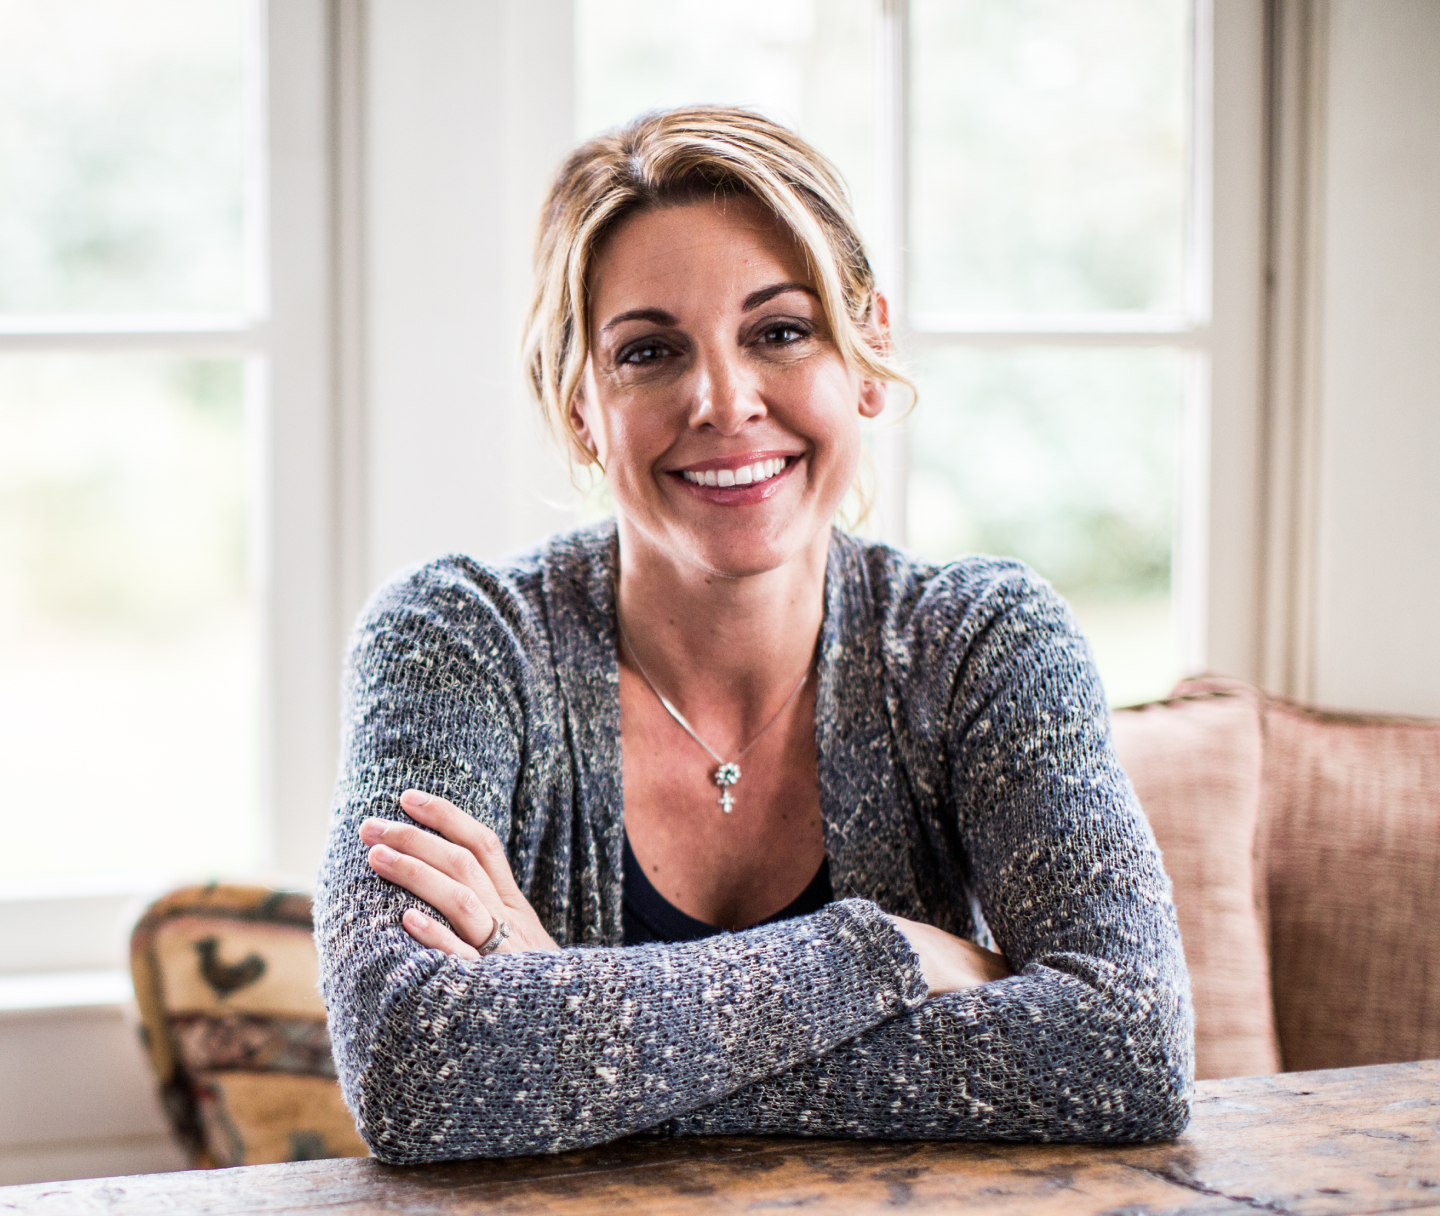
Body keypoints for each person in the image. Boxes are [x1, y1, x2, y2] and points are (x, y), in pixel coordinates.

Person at [314, 106, 1193, 1163]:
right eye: (648, 351)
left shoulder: (981, 643)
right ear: (582, 408)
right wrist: (882, 954)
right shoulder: (457, 639)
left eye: (780, 331)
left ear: (866, 351)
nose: (723, 401)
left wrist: (554, 1017)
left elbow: (1128, 1050)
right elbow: (418, 1073)